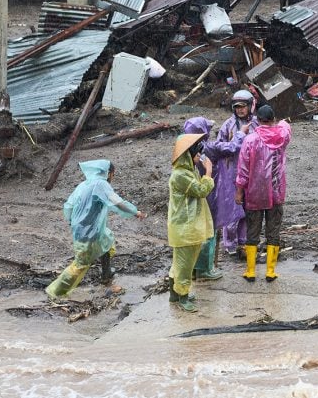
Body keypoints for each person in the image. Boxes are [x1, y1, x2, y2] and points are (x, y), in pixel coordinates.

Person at [45, 160, 145, 299]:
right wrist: (135, 212)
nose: (112, 177)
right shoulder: (101, 184)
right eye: (113, 174)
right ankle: (54, 292)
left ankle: (106, 275)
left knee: (107, 242)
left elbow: (68, 205)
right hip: (89, 232)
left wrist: (72, 221)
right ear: (108, 173)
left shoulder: (83, 184)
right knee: (80, 264)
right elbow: (117, 202)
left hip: (86, 229)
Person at [183, 116, 249, 280]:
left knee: (194, 232)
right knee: (209, 232)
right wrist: (240, 133)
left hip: (189, 196)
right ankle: (205, 269)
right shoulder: (209, 148)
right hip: (210, 194)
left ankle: (192, 268)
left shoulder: (183, 150)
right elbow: (233, 147)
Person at [235, 105, 291, 282]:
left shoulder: (250, 140)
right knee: (273, 230)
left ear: (257, 120)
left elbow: (242, 169)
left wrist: (239, 192)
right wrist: (281, 122)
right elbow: (285, 126)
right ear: (273, 118)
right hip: (276, 192)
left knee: (253, 230)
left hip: (255, 192)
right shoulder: (282, 135)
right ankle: (270, 271)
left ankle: (251, 271)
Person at [168, 133, 215, 312]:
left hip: (186, 227)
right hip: (185, 228)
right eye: (196, 155)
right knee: (185, 265)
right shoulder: (181, 176)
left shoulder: (187, 172)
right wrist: (208, 172)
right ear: (188, 155)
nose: (198, 158)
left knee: (180, 263)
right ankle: (183, 297)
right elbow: (202, 190)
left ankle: (175, 294)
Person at [216, 89, 258, 257]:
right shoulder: (228, 125)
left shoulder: (257, 124)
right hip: (232, 171)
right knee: (232, 209)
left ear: (250, 106)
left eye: (243, 106)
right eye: (237, 107)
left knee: (247, 209)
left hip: (252, 173)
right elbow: (220, 145)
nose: (240, 110)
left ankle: (243, 240)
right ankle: (230, 243)